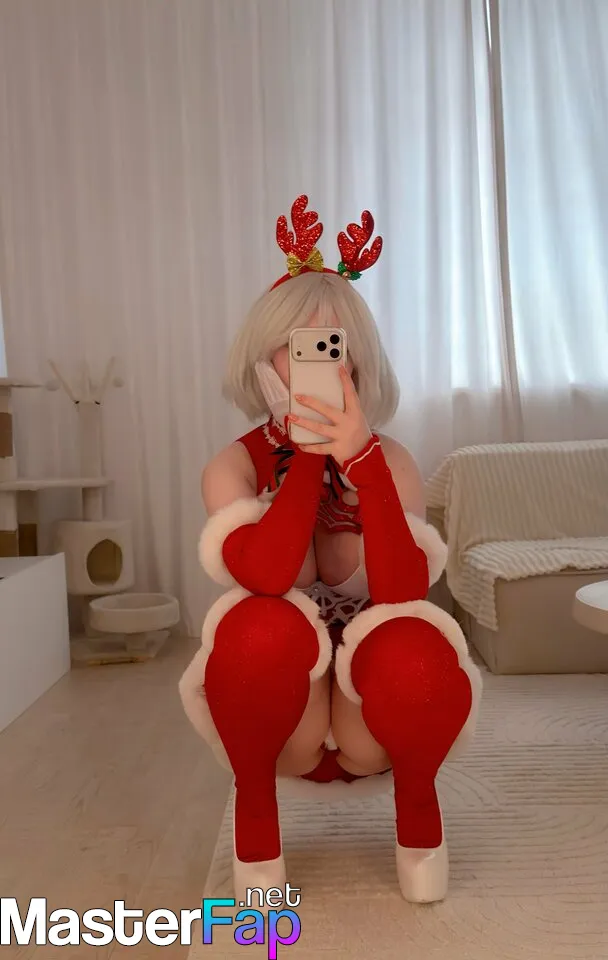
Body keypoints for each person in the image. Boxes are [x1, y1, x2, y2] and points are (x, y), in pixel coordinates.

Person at [179, 196, 482, 904]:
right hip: (283, 730)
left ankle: (419, 816)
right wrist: (310, 456)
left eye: (333, 346)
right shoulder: (233, 466)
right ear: (263, 363)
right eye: (299, 347)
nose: (318, 362)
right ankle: (256, 822)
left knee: (415, 639)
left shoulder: (390, 461)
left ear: (360, 362)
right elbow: (266, 573)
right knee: (258, 624)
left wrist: (363, 464)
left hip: (375, 726)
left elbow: (406, 592)